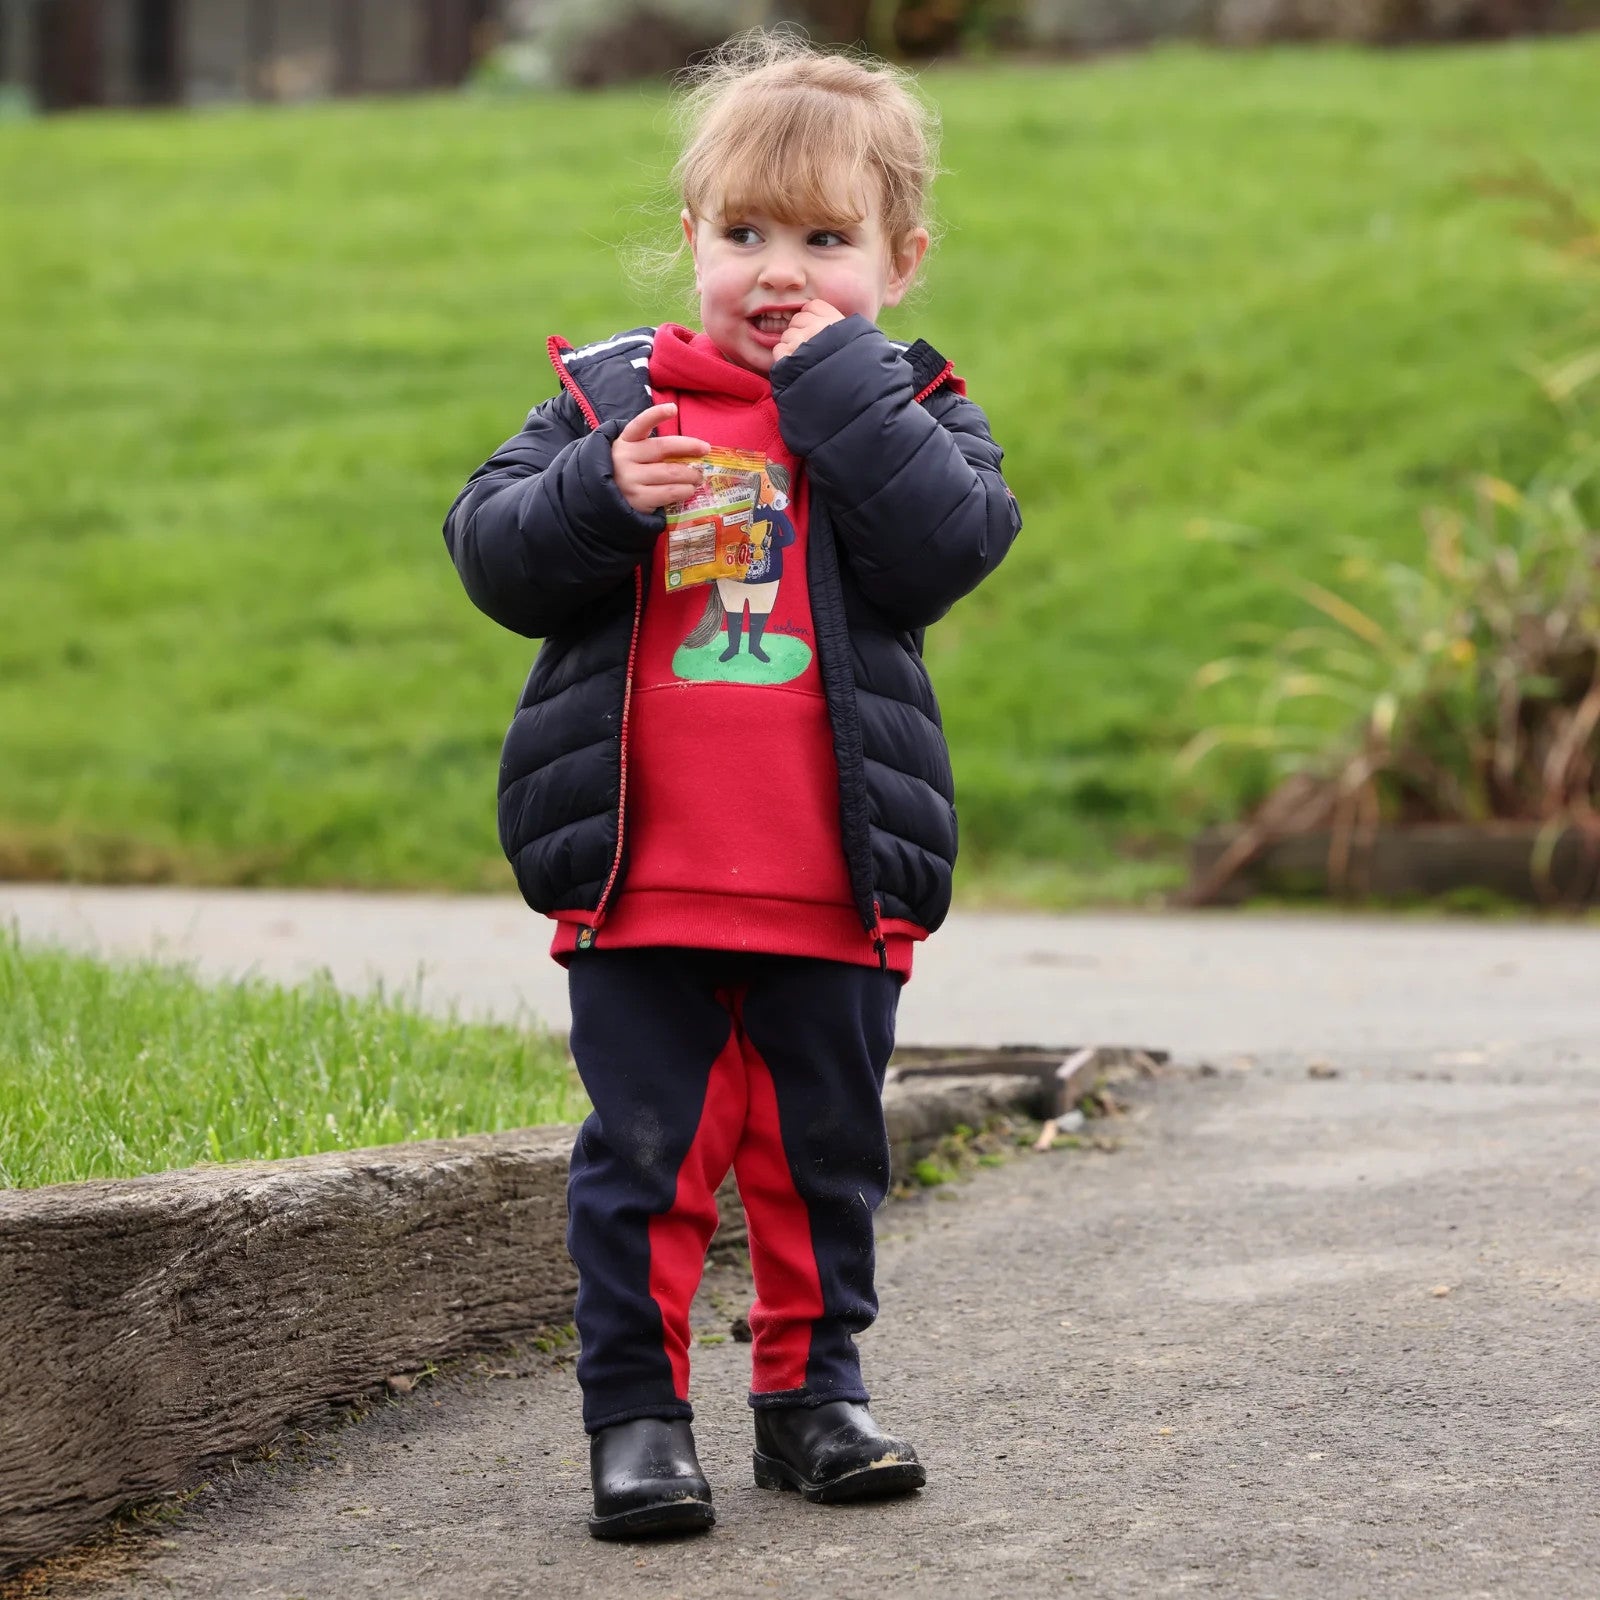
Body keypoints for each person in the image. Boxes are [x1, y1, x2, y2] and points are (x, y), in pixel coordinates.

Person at [442, 27, 1020, 1541]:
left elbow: (945, 547)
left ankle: (812, 1401)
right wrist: (596, 495)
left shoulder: (914, 412)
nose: (782, 271)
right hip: (646, 884)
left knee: (822, 1162)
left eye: (827, 242)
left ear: (901, 257)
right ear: (692, 237)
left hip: (835, 887)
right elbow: (491, 552)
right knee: (643, 1168)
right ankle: (637, 1422)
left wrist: (843, 387)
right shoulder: (609, 401)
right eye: (748, 234)